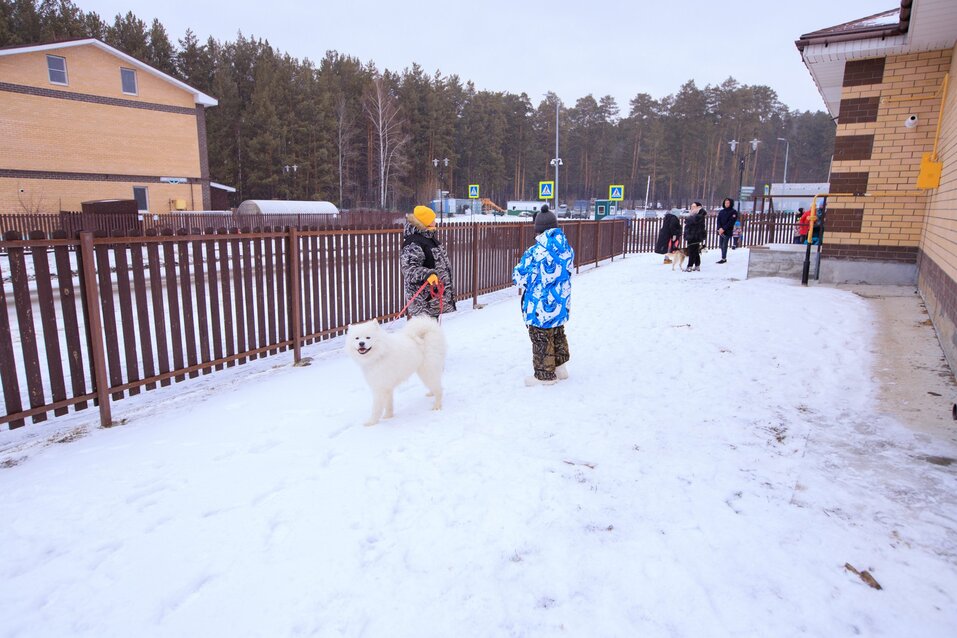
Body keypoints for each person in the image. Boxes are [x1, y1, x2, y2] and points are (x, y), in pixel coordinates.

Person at [512, 206, 575, 386]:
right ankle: (560, 368)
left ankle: (544, 375)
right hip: (560, 301)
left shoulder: (535, 252)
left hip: (539, 304)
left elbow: (520, 276)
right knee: (557, 331)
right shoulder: (566, 248)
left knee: (541, 336)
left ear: (537, 229)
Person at [400, 205, 456, 318]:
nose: (435, 221)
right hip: (423, 301)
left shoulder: (429, 239)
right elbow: (409, 269)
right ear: (425, 222)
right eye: (432, 219)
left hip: (433, 299)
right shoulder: (414, 242)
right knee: (423, 333)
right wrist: (427, 274)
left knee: (432, 333)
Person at [683, 202, 707, 272]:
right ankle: (697, 265)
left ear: (698, 207)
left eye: (694, 206)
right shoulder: (695, 215)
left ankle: (689, 266)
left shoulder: (699, 215)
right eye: (691, 206)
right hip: (691, 235)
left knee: (692, 251)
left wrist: (689, 218)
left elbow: (691, 221)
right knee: (695, 252)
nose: (692, 208)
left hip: (695, 236)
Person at [715, 198, 738, 263]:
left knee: (724, 245)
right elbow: (718, 220)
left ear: (730, 203)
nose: (726, 204)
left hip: (727, 231)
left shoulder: (733, 212)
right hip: (721, 231)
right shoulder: (721, 211)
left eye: (728, 203)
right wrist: (719, 228)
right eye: (725, 203)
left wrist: (723, 229)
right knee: (721, 245)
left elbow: (731, 222)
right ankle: (723, 257)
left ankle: (724, 258)